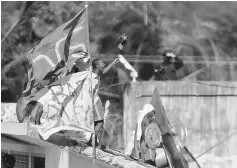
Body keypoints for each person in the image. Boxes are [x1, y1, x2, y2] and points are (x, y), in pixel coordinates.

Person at [87, 58, 119, 148]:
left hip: (93, 101)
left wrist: (113, 62)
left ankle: (94, 141)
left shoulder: (95, 73)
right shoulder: (92, 77)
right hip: (94, 101)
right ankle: (90, 140)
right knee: (100, 122)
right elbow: (90, 92)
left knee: (96, 121)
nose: (103, 64)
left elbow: (104, 71)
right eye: (101, 63)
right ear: (97, 66)